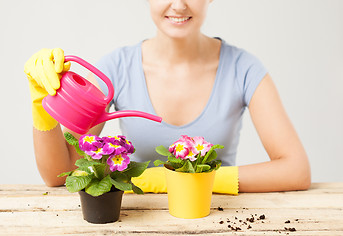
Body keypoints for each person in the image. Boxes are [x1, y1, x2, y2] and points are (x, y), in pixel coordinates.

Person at [24, 0, 311, 194]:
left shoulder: (243, 69)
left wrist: (190, 181)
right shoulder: (116, 69)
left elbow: (295, 169)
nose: (178, 4)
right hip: (136, 221)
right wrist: (43, 108)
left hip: (218, 218)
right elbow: (58, 174)